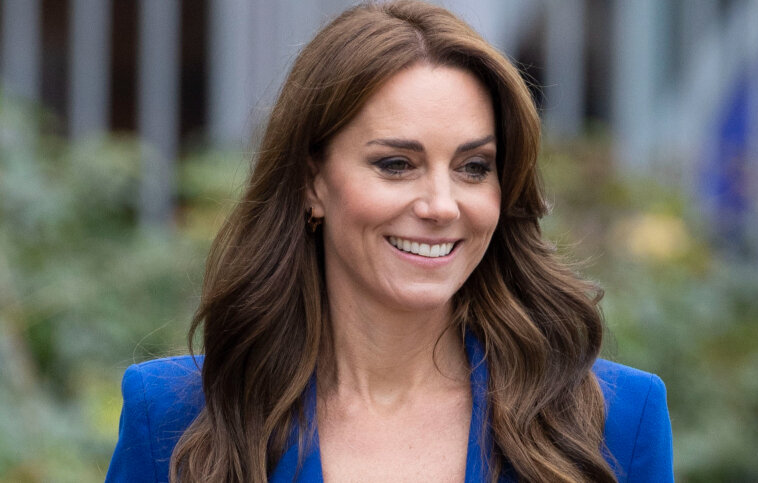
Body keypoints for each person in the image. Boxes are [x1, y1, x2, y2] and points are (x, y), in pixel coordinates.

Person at [106, 1, 673, 482]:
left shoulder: (613, 422)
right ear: (311, 182)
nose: (441, 205)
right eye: (397, 164)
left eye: (474, 167)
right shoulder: (176, 416)